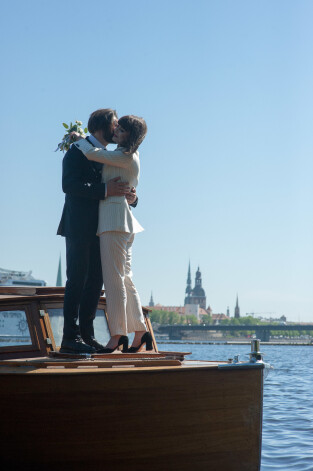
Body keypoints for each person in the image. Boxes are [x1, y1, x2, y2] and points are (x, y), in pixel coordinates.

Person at [57, 109, 138, 354]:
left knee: (95, 281)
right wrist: (105, 190)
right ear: (103, 127)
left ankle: (87, 336)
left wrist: (132, 197)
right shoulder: (76, 151)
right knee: (76, 279)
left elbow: (121, 184)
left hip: (103, 228)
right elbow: (68, 185)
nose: (117, 129)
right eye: (115, 125)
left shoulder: (109, 155)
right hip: (79, 226)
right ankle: (69, 338)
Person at [72, 115, 153, 353]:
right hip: (123, 222)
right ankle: (139, 332)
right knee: (126, 278)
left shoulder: (123, 155)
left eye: (121, 128)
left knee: (114, 280)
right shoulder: (130, 156)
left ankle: (118, 335)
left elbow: (93, 154)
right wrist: (133, 196)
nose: (116, 130)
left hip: (113, 222)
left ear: (130, 134)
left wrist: (77, 139)